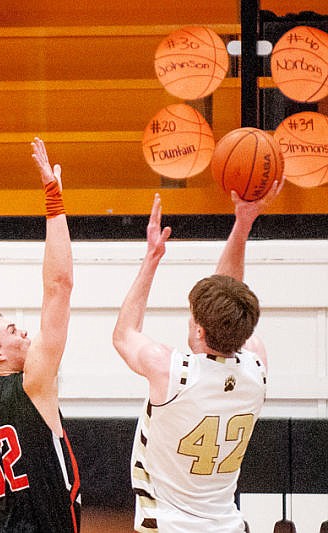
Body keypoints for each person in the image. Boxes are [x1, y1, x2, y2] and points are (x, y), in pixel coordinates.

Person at [112, 182, 283, 533]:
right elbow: (228, 295)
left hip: (168, 526)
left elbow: (123, 333)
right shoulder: (256, 369)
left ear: (200, 331)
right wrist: (243, 223)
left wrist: (151, 259)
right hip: (228, 525)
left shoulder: (171, 373)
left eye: (193, 317)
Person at [0, 137, 81, 532]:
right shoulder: (32, 386)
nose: (23, 332)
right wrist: (53, 201)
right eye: (11, 330)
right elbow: (58, 285)